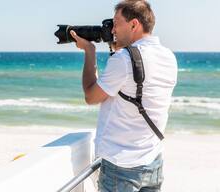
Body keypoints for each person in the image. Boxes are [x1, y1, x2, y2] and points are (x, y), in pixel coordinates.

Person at [70, 0, 177, 191]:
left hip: (121, 167)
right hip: (153, 161)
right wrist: (119, 48)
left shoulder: (124, 59)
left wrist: (90, 51)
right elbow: (136, 83)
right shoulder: (168, 56)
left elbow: (91, 97)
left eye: (116, 23)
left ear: (134, 24)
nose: (112, 31)